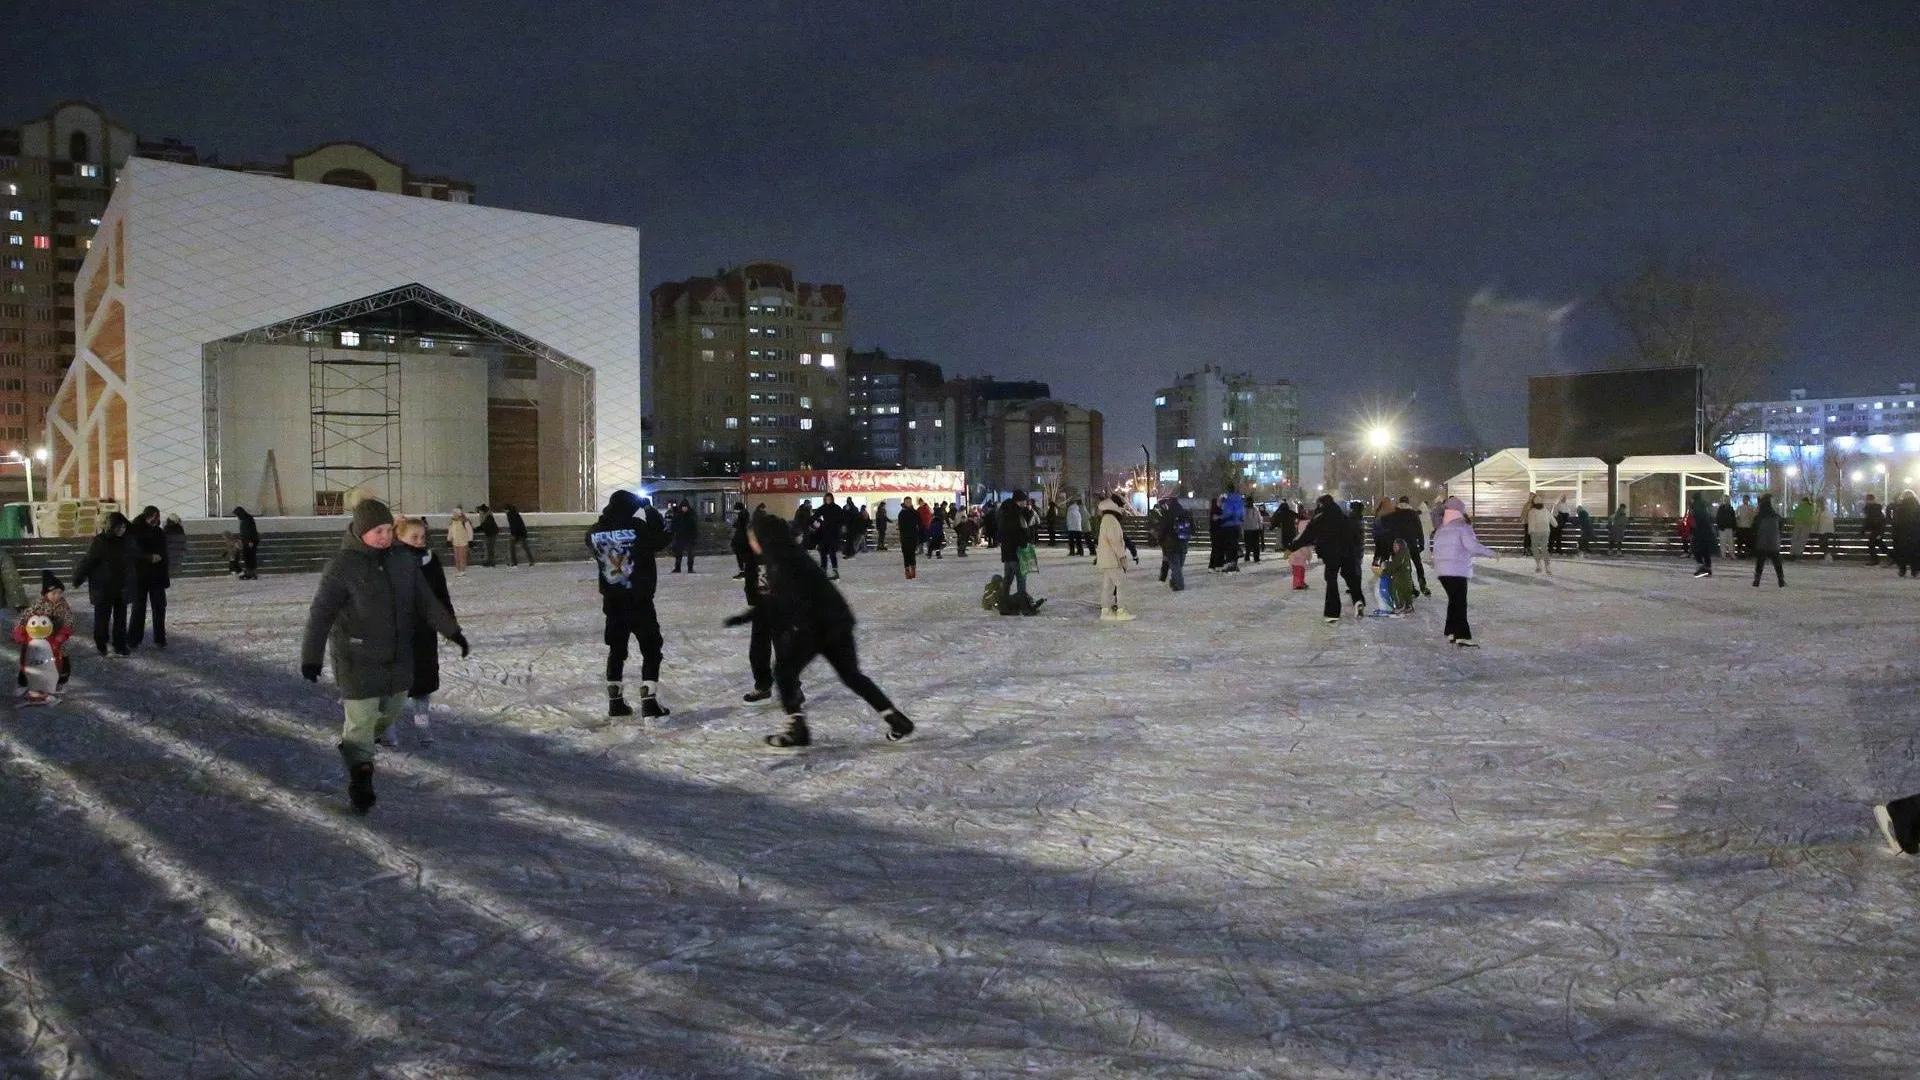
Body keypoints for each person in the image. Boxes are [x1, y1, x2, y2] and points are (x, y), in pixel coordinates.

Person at [301, 499, 467, 814]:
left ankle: (357, 746)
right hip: (357, 656)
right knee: (362, 719)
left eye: (388, 530)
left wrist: (453, 631)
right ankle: (361, 775)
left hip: (397, 658)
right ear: (361, 532)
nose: (385, 536)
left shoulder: (403, 562)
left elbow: (427, 602)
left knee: (390, 711)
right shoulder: (343, 565)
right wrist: (311, 656)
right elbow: (321, 613)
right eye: (377, 531)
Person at [728, 515, 914, 750]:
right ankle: (896, 719)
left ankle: (797, 729)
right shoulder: (789, 553)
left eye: (753, 536)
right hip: (838, 619)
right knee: (852, 676)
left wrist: (757, 618)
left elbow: (782, 601)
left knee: (784, 670)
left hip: (817, 624)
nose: (751, 541)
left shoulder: (780, 559)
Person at [587, 490, 672, 718]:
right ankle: (649, 701)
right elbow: (661, 537)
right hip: (639, 600)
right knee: (651, 649)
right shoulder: (637, 527)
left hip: (613, 601)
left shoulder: (594, 532)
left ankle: (615, 702)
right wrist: (649, 509)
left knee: (616, 650)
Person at [389, 516, 453, 748]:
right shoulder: (389, 560)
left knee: (423, 683)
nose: (419, 541)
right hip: (396, 631)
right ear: (400, 536)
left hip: (424, 631)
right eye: (413, 536)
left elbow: (441, 594)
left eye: (422, 537)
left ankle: (422, 724)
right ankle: (388, 727)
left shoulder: (430, 561)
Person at [1430, 498, 1499, 646]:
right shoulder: (1462, 527)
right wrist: (1491, 553)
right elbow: (1472, 546)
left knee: (1454, 601)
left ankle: (1451, 631)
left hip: (1443, 572)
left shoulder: (1441, 529)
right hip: (1457, 570)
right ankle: (1462, 635)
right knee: (1459, 603)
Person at [72, 512, 140, 657]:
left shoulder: (128, 541)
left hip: (122, 586)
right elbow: (89, 561)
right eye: (119, 527)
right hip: (103, 586)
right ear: (112, 527)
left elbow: (134, 560)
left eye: (123, 527)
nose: (122, 529)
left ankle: (120, 644)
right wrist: (78, 577)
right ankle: (101, 644)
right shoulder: (100, 541)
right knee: (102, 617)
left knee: (120, 618)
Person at [1289, 494, 1364, 623]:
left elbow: (1307, 536)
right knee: (1351, 577)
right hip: (1348, 552)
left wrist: (1292, 547)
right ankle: (1358, 600)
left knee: (1331, 580)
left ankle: (1332, 613)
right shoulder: (1342, 516)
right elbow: (1355, 535)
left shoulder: (1319, 518)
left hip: (1331, 553)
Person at [15, 572, 74, 693]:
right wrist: (20, 631)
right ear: (46, 593)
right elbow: (24, 617)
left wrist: (63, 633)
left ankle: (60, 681)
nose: (57, 595)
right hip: (39, 638)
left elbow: (69, 619)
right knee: (29, 656)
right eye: (54, 593)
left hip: (57, 638)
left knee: (62, 657)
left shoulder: (63, 605)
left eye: (59, 592)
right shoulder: (38, 604)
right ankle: (24, 682)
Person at [127, 505, 170, 649]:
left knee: (159, 607)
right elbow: (133, 553)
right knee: (138, 608)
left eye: (158, 517)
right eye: (153, 517)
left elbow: (164, 554)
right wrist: (149, 558)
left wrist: (164, 575)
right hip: (140, 576)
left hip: (157, 576)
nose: (156, 520)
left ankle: (160, 638)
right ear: (147, 516)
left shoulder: (159, 532)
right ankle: (134, 639)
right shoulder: (134, 531)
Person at [996, 490, 1041, 614]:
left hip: (1007, 551)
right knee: (1021, 579)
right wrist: (1024, 542)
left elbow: (1022, 521)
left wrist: (1028, 511)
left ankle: (1003, 605)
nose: (1025, 503)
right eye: (1024, 501)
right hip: (1016, 551)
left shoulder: (1007, 510)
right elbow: (1018, 531)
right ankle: (1024, 607)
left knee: (1008, 579)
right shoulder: (1013, 513)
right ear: (1019, 500)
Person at [1094, 492, 1136, 620]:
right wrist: (1122, 557)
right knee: (1121, 583)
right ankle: (1121, 611)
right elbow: (1115, 541)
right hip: (1112, 559)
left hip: (1107, 558)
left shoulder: (1107, 519)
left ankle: (1106, 611)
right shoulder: (1111, 520)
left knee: (1108, 585)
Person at [1383, 496, 1430, 596]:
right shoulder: (1413, 513)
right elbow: (1419, 529)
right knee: (1418, 564)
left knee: (1405, 567)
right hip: (1412, 543)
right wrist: (1421, 543)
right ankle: (1423, 584)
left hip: (1399, 545)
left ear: (1399, 503)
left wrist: (1390, 547)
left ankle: (1411, 587)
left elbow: (1388, 531)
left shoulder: (1393, 514)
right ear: (1408, 502)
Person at [1154, 495, 1193, 592]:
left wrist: (1160, 539)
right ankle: (1174, 582)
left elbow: (1164, 528)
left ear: (1170, 502)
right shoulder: (1185, 513)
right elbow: (1193, 527)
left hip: (1172, 543)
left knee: (1175, 565)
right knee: (1179, 565)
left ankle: (1179, 585)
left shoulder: (1169, 514)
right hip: (1183, 542)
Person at [1751, 494, 1786, 587]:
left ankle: (1757, 580)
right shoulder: (1775, 516)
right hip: (1774, 543)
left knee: (1760, 562)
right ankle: (1781, 580)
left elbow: (1754, 529)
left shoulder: (1759, 517)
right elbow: (1781, 524)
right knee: (1777, 562)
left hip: (1762, 542)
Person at [1687, 493, 1718, 578]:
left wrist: (1692, 530)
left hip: (1699, 531)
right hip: (1706, 531)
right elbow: (1709, 517)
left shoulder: (1695, 507)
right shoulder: (1704, 506)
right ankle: (1707, 567)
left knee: (1696, 549)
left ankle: (1701, 565)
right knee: (1705, 550)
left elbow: (1693, 520)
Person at [1890, 490, 1920, 578]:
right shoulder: (1918, 507)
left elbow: (1896, 522)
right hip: (1915, 533)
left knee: (1902, 552)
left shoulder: (1899, 508)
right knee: (1915, 552)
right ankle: (1915, 571)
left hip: (1902, 533)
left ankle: (1902, 570)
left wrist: (1894, 534)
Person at [814, 493, 843, 577]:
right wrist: (817, 522)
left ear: (832, 499)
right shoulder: (823, 508)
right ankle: (823, 568)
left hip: (834, 534)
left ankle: (835, 570)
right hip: (825, 533)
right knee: (822, 551)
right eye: (827, 499)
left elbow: (841, 519)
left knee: (832, 553)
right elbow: (816, 515)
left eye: (829, 499)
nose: (828, 501)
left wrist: (840, 527)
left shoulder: (837, 508)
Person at [1524, 493, 1554, 575]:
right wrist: (1555, 524)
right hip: (1545, 531)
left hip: (1535, 532)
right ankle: (1547, 566)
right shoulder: (1546, 511)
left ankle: (1538, 564)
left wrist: (1530, 531)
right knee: (1544, 548)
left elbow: (1531, 522)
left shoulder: (1532, 511)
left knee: (1534, 548)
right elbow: (1553, 521)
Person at [669, 499, 699, 573]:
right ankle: (677, 568)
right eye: (683, 507)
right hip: (680, 537)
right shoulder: (678, 515)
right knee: (678, 554)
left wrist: (695, 536)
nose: (684, 508)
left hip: (689, 537)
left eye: (685, 507)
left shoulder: (691, 514)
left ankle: (690, 568)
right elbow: (673, 526)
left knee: (690, 554)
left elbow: (695, 526)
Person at [896, 497, 922, 579]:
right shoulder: (902, 513)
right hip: (904, 536)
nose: (908, 503)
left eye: (909, 501)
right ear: (904, 503)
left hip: (913, 536)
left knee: (912, 552)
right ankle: (907, 569)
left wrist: (917, 529)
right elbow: (900, 526)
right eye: (907, 502)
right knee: (906, 553)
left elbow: (920, 522)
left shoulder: (915, 512)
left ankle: (913, 568)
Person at [232, 506, 260, 579]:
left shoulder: (247, 520)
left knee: (249, 557)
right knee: (249, 557)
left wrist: (250, 541)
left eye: (237, 515)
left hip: (249, 542)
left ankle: (250, 573)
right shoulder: (247, 519)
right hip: (247, 541)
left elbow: (250, 531)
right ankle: (251, 572)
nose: (237, 517)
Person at [1788, 496, 1816, 561]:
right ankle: (1799, 554)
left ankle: (1792, 553)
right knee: (1802, 540)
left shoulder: (1798, 507)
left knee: (1795, 539)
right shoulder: (1811, 508)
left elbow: (1794, 515)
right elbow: (1812, 517)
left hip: (1797, 524)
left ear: (1802, 501)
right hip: (1806, 525)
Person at [447, 507, 474, 573]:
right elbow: (450, 531)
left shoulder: (465, 521)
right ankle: (458, 569)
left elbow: (469, 531)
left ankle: (462, 570)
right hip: (455, 542)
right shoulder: (452, 521)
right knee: (456, 557)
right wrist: (449, 539)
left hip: (463, 542)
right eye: (453, 514)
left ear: (458, 514)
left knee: (462, 557)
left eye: (455, 514)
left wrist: (470, 540)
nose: (453, 515)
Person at [1863, 493, 1887, 565]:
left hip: (1877, 529)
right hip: (1877, 529)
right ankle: (1891, 556)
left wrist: (1863, 530)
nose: (1866, 501)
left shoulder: (1873, 508)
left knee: (1871, 543)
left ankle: (1875, 560)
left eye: (1867, 500)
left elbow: (1870, 520)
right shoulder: (1872, 507)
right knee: (1879, 543)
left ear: (1870, 500)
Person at [730, 503, 752, 578]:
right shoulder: (746, 515)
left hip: (740, 540)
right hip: (745, 540)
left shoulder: (741, 516)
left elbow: (737, 526)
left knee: (740, 557)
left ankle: (742, 572)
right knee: (745, 556)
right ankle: (746, 571)